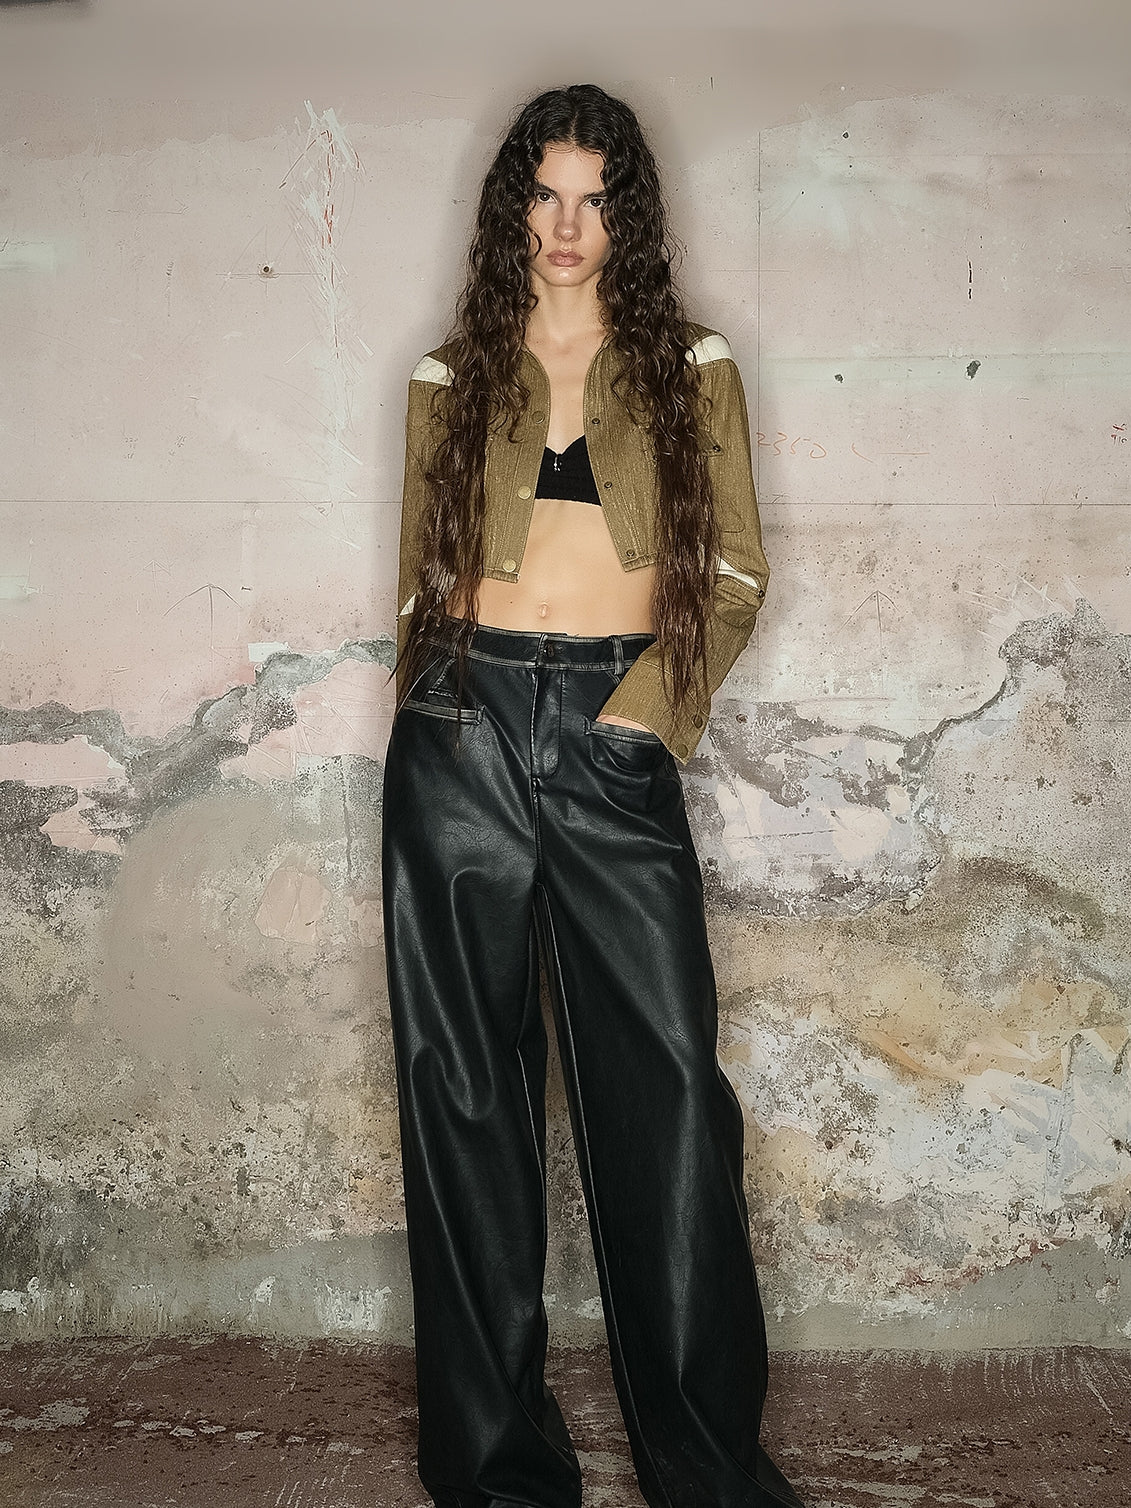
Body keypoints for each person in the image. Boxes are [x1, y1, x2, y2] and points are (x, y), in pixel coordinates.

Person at [382, 83, 805, 1508]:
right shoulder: (451, 374)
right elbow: (417, 583)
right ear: (516, 208)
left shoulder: (689, 365)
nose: (567, 227)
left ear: (629, 215)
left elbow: (733, 573)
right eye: (546, 196)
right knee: (462, 1092)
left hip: (613, 730)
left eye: (595, 199)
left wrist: (645, 720)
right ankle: (497, 1472)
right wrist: (434, 714)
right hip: (462, 725)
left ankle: (707, 1467)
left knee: (670, 1087)